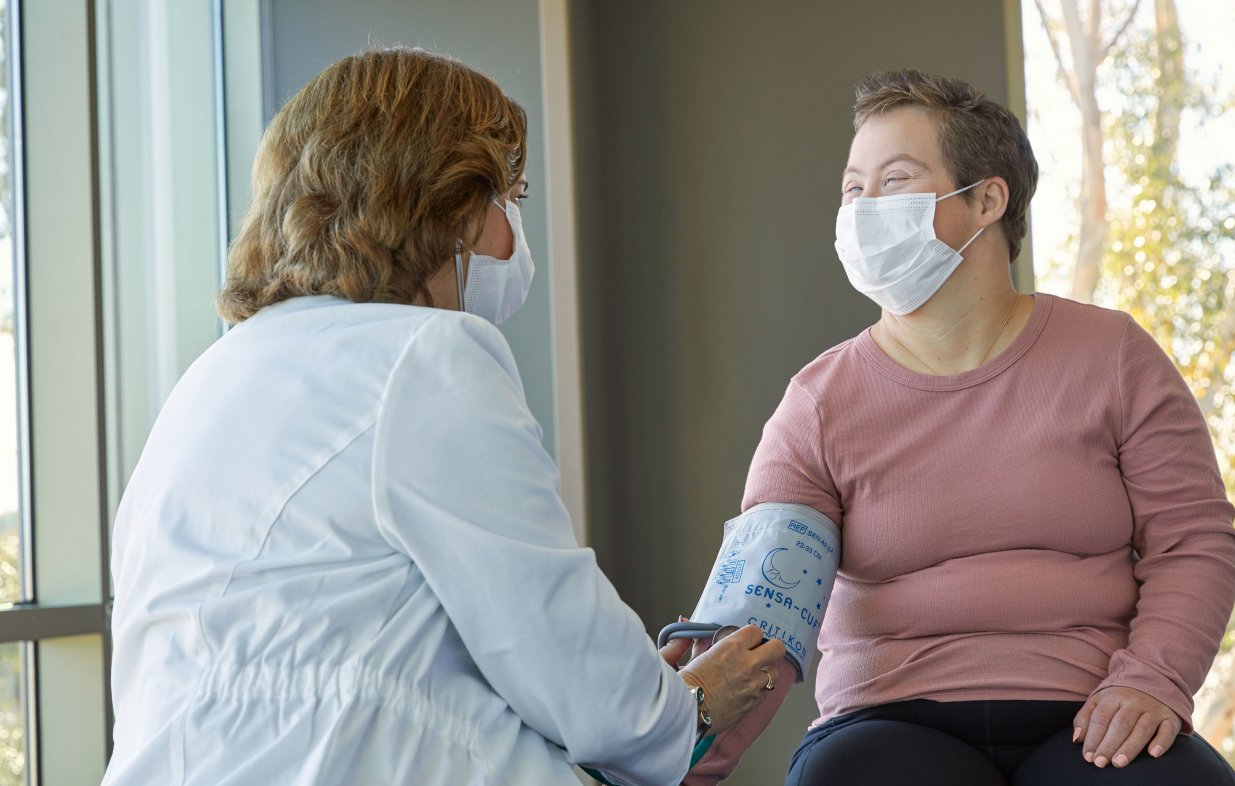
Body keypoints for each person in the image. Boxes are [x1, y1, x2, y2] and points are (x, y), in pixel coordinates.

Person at [101, 48, 787, 786]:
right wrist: (689, 703)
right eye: (510, 199)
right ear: (446, 202)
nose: (512, 238)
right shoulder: (426, 357)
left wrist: (635, 696)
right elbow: (565, 654)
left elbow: (383, 625)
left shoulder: (219, 373)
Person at [681, 69, 1235, 786]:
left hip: (1092, 710)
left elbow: (1193, 540)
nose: (861, 207)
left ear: (986, 199)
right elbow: (762, 614)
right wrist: (678, 761)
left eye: (895, 180)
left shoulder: (1114, 356)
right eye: (853, 187)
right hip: (886, 721)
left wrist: (1153, 680)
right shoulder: (818, 402)